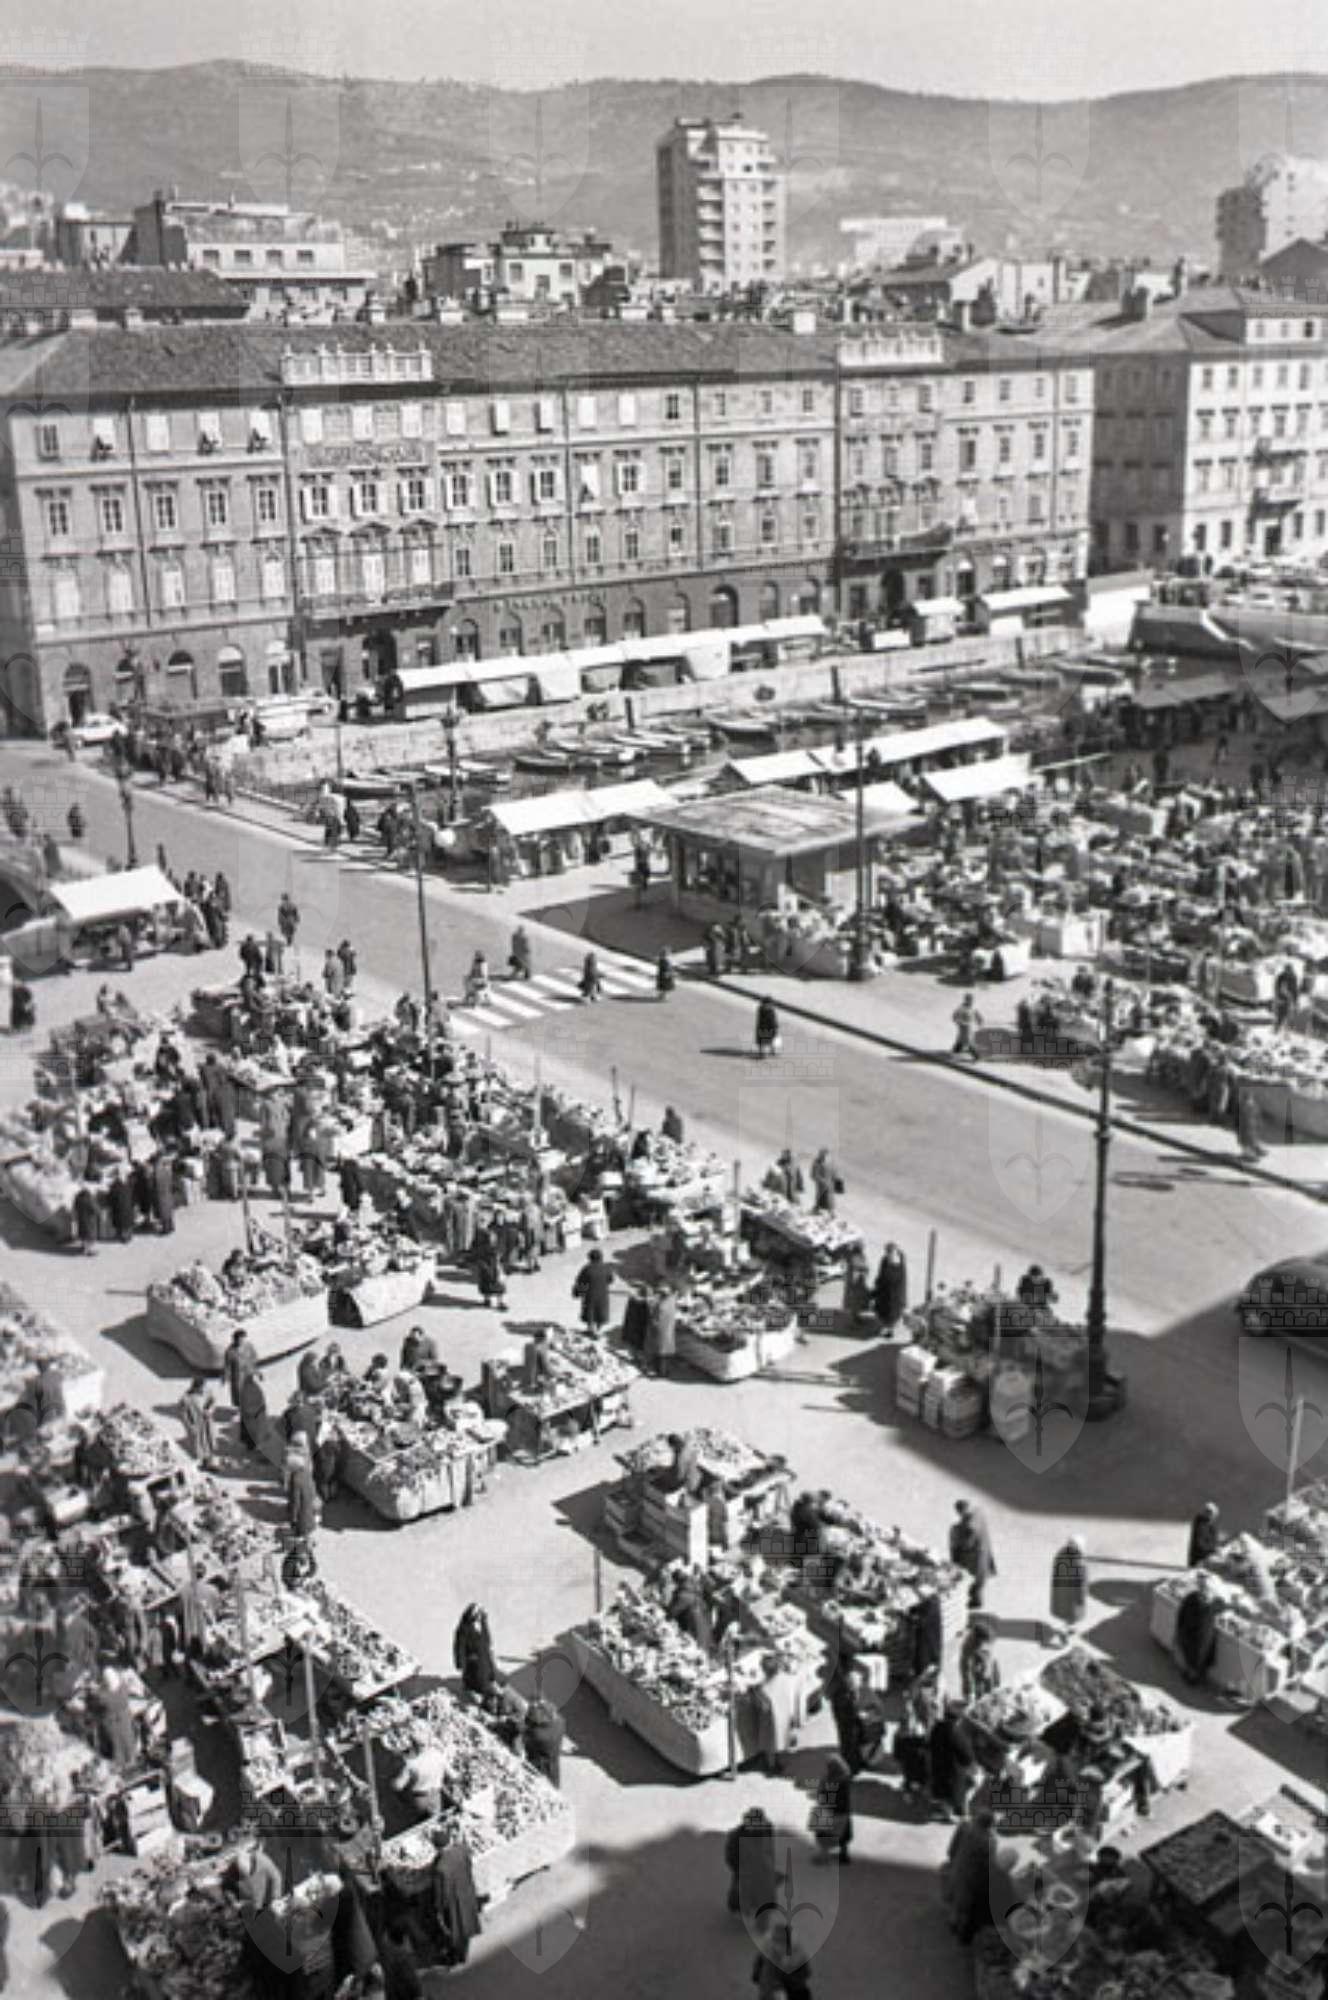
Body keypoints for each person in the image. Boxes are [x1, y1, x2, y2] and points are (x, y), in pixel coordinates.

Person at [943, 1810, 997, 1944]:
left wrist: (951, 1858)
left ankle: (953, 1920)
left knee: (956, 1894)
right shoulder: (989, 1841)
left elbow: (952, 1847)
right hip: (973, 1875)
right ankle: (958, 1924)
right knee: (965, 1900)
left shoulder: (964, 1827)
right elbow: (988, 1863)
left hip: (958, 1866)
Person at [724, 1806, 778, 1920]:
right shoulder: (736, 1835)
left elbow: (769, 1846)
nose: (756, 1827)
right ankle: (739, 1907)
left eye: (759, 1824)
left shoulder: (767, 1829)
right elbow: (731, 1855)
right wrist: (739, 1869)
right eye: (753, 1824)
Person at [950, 1499, 997, 1609]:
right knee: (979, 1577)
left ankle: (976, 1601)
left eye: (959, 1512)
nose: (959, 1515)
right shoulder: (978, 1513)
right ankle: (976, 1599)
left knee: (974, 1578)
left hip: (975, 1556)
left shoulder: (970, 1525)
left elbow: (967, 1543)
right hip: (983, 1550)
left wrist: (958, 1538)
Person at [1174, 1572, 1219, 1687]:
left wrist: (1180, 1628)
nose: (1203, 1587)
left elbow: (1182, 1614)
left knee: (1195, 1655)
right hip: (1197, 1633)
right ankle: (1194, 1674)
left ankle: (1193, 1675)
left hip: (1197, 1633)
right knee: (1196, 1655)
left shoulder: (1196, 1598)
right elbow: (1183, 1614)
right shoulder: (1202, 1599)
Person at [1046, 1535, 1089, 1648]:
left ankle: (1068, 1629)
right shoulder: (1079, 1561)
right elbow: (1080, 1582)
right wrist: (1082, 1597)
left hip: (1060, 1592)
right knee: (1072, 1616)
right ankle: (1063, 1635)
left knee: (1067, 1615)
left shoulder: (1061, 1554)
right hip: (1073, 1596)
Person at [810, 1751, 853, 1864]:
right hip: (843, 1812)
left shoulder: (828, 1781)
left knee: (821, 1824)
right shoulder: (845, 1780)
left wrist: (817, 1795)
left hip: (831, 1812)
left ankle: (823, 1855)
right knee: (844, 1830)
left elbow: (823, 1797)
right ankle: (844, 1854)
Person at [453, 1604, 498, 1703]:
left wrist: (492, 1671)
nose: (478, 1617)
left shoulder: (482, 1629)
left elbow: (488, 1645)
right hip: (473, 1667)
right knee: (477, 1692)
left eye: (480, 1614)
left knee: (491, 1692)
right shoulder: (463, 1629)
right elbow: (460, 1647)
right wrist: (461, 1663)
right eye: (476, 1614)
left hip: (485, 1666)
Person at [522, 1698, 565, 1787]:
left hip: (539, 1762)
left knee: (538, 1781)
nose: (535, 1716)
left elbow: (524, 1739)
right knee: (553, 1781)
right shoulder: (560, 1721)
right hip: (553, 1759)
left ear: (545, 1718)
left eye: (538, 1715)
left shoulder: (538, 1734)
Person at [572, 1246, 613, 1334]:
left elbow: (581, 1282)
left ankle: (591, 1330)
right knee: (601, 1311)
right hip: (603, 1294)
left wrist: (577, 1293)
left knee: (590, 1311)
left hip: (590, 1295)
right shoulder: (606, 1268)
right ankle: (598, 1330)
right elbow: (610, 1280)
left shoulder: (587, 1269)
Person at [180, 1378, 219, 1470]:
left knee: (210, 1441)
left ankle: (210, 1462)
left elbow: (213, 1401)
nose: (202, 1390)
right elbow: (184, 1415)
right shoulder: (186, 1398)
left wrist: (210, 1410)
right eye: (200, 1388)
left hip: (207, 1421)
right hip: (196, 1423)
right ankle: (204, 1463)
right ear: (195, 1388)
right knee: (201, 1443)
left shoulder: (207, 1392)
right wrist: (190, 1426)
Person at [959, 1621, 1000, 1703]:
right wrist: (969, 1692)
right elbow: (966, 1672)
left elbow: (994, 1664)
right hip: (974, 1665)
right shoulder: (968, 1647)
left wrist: (996, 1684)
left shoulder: (989, 1642)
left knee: (989, 1679)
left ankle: (988, 1695)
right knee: (976, 1687)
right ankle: (975, 1698)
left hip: (983, 1661)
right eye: (985, 1645)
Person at [873, 1242, 908, 1336]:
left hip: (894, 1294)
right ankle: (887, 1327)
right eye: (888, 1252)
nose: (888, 1254)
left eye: (890, 1252)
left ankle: (890, 1329)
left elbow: (894, 1278)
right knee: (884, 1311)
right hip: (885, 1293)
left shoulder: (898, 1264)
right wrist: (878, 1283)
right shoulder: (885, 1260)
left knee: (892, 1312)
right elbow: (881, 1273)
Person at [644, 1285, 677, 1379]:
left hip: (660, 1330)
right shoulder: (671, 1302)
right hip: (667, 1330)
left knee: (659, 1352)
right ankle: (664, 1371)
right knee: (665, 1353)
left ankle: (659, 1371)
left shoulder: (660, 1304)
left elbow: (653, 1315)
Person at [224, 1327, 259, 1412]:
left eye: (242, 1339)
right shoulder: (230, 1351)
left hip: (248, 1374)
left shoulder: (249, 1346)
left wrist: (255, 1371)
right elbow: (227, 1365)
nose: (241, 1341)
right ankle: (241, 1410)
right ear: (235, 1339)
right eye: (239, 1339)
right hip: (237, 1376)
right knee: (238, 1395)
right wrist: (226, 1376)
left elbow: (254, 1358)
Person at [1187, 1501, 1221, 1568]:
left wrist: (1216, 1548)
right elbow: (1200, 1545)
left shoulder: (1209, 1525)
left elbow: (1212, 1541)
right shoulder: (1201, 1525)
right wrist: (1213, 1549)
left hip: (1205, 1558)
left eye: (1213, 1514)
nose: (1212, 1516)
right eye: (1208, 1512)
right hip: (1199, 1561)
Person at [72, 1177, 100, 1256]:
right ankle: (88, 1250)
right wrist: (98, 1212)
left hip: (81, 1218)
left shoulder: (78, 1196)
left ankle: (83, 1247)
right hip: (89, 1219)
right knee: (89, 1235)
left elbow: (75, 1206)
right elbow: (95, 1209)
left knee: (83, 1234)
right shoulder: (89, 1198)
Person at [952, 990, 982, 1060]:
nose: (970, 1001)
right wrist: (959, 1022)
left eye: (971, 999)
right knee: (968, 1041)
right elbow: (954, 1016)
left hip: (969, 1026)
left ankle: (956, 1051)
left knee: (962, 1039)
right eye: (969, 999)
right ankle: (976, 1056)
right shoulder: (961, 1008)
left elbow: (976, 1014)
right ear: (966, 1000)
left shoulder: (972, 1007)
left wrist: (979, 1020)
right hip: (963, 1026)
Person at [810, 1147, 841, 1215]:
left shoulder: (831, 1163)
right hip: (821, 1184)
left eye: (824, 1155)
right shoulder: (817, 1162)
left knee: (829, 1199)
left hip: (829, 1184)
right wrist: (820, 1180)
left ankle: (831, 1212)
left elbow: (835, 1172)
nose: (823, 1156)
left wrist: (836, 1181)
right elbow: (814, 1174)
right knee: (819, 1197)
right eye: (821, 1154)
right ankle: (817, 1209)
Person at [755, 995, 780, 1059]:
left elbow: (774, 1020)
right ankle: (762, 1053)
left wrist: (775, 1027)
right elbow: (760, 1020)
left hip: (771, 1028)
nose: (767, 1006)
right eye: (765, 1005)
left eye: (768, 1005)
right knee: (762, 1042)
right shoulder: (761, 1010)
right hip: (762, 1028)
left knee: (773, 1040)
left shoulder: (771, 1011)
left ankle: (772, 1050)